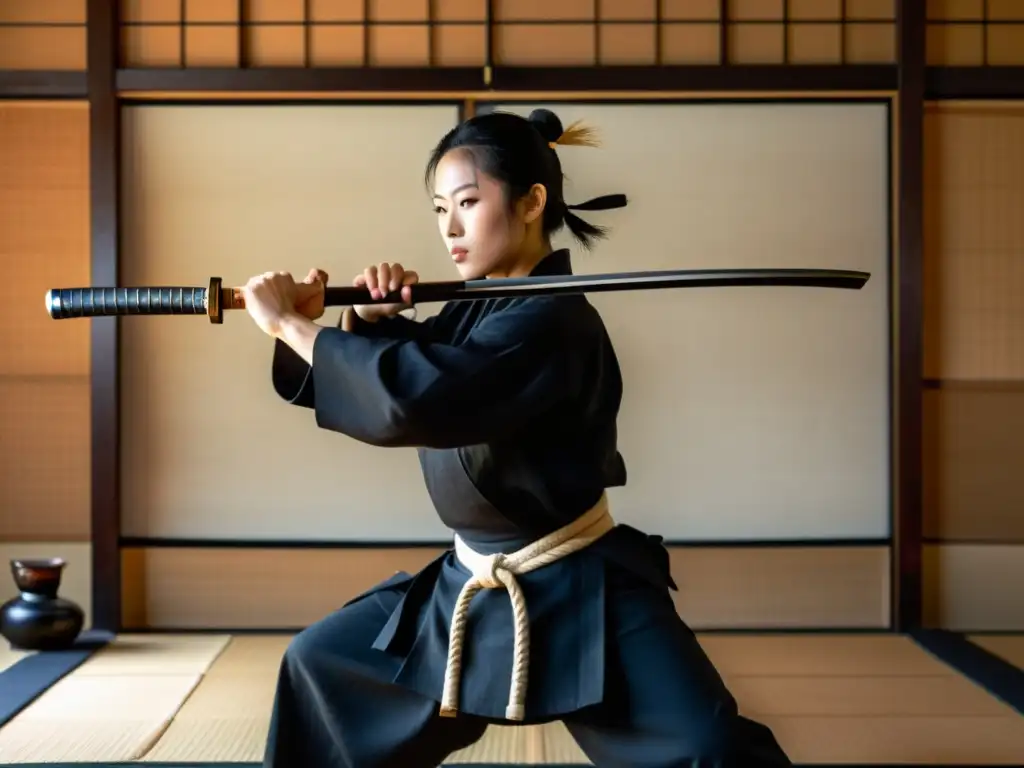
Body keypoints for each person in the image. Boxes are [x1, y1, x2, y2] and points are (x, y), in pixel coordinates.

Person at [242, 108, 792, 767]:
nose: (449, 228)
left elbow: (423, 397)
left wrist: (290, 329)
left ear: (532, 202)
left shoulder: (553, 320)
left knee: (708, 749)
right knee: (319, 669)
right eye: (440, 208)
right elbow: (423, 366)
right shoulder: (480, 303)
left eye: (468, 203)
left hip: (578, 585)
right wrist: (361, 319)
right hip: (467, 587)